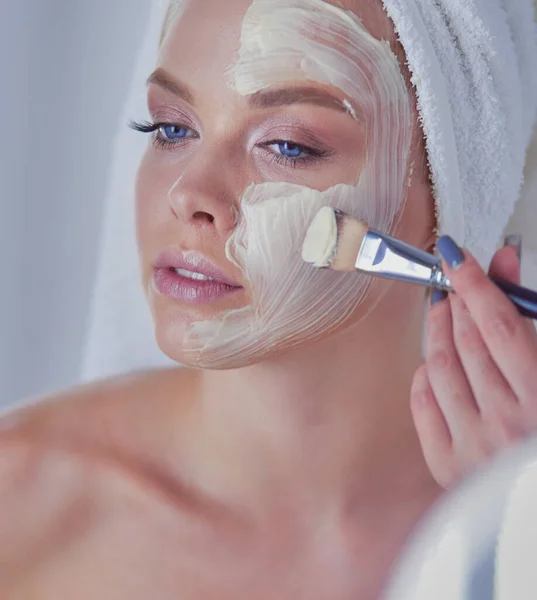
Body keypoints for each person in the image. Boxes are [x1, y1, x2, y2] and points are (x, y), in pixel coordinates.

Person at [1, 0, 536, 598]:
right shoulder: (19, 507)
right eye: (172, 129)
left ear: (453, 190)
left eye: (286, 146)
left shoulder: (514, 513)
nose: (187, 194)